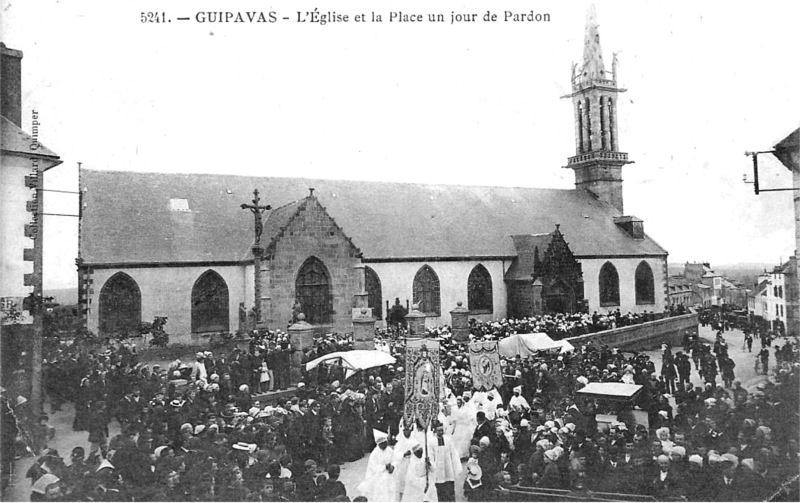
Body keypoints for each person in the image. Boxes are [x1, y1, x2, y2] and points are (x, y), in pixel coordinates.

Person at [357, 429, 397, 502]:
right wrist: (384, 467)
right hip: (379, 476)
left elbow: (395, 460)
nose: (385, 445)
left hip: (390, 473)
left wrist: (393, 466)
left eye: (386, 443)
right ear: (379, 444)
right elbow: (373, 468)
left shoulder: (389, 450)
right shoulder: (374, 454)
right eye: (383, 444)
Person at [433, 424, 461, 502]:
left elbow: (453, 453)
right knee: (440, 489)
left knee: (449, 487)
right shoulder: (432, 441)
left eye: (442, 430)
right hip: (438, 468)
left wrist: (456, 467)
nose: (441, 432)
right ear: (435, 431)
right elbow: (431, 456)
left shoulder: (448, 440)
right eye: (439, 430)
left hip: (448, 468)